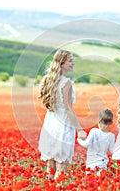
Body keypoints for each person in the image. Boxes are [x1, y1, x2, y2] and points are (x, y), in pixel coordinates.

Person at [38, 49, 87, 179]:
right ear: (62, 63)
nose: (73, 63)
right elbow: (68, 109)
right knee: (61, 168)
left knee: (50, 168)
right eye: (70, 60)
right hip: (63, 125)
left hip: (50, 124)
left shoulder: (49, 80)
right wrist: (80, 130)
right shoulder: (66, 83)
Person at [77, 108, 115, 175]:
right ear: (111, 123)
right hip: (102, 163)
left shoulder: (94, 131)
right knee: (101, 183)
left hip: (91, 163)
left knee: (90, 181)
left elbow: (86, 144)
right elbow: (112, 151)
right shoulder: (111, 136)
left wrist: (79, 139)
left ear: (99, 121)